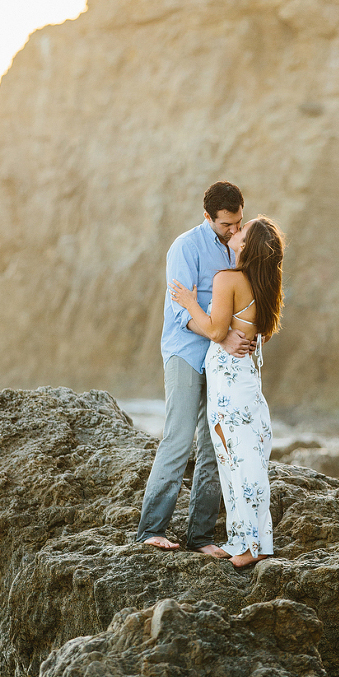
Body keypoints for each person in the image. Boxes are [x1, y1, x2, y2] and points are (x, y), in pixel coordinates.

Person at [134, 181, 255, 557]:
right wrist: (222, 336)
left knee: (215, 443)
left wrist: (234, 337)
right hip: (186, 352)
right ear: (208, 217)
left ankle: (200, 536)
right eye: (226, 225)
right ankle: (151, 530)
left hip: (223, 361)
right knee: (179, 436)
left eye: (238, 222)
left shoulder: (241, 247)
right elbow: (179, 313)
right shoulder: (185, 247)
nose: (234, 230)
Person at [170, 215, 285, 568]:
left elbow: (216, 329)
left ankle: (253, 546)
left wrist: (189, 303)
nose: (235, 232)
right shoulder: (262, 284)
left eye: (242, 230)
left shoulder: (228, 279)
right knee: (241, 459)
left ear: (246, 246)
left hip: (229, 382)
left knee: (238, 461)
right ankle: (247, 541)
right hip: (245, 379)